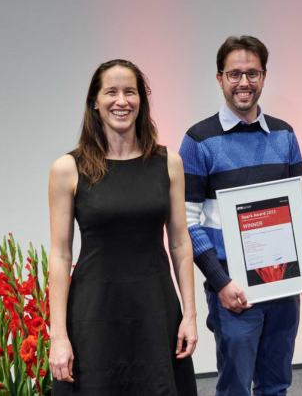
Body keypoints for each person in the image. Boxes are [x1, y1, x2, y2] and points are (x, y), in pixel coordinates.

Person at [180, 35, 302, 396]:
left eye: (252, 73)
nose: (243, 83)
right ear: (219, 78)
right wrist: (220, 283)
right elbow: (187, 221)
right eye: (234, 74)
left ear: (264, 77)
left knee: (277, 383)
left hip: (284, 284)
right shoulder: (198, 140)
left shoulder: (284, 134)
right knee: (234, 388)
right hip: (234, 291)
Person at [48, 60, 198, 395]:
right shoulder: (67, 169)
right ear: (95, 103)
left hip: (156, 312)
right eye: (111, 92)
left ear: (141, 101)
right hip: (94, 313)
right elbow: (60, 255)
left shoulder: (169, 163)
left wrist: (190, 314)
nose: (121, 101)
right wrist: (58, 335)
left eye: (130, 92)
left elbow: (179, 243)